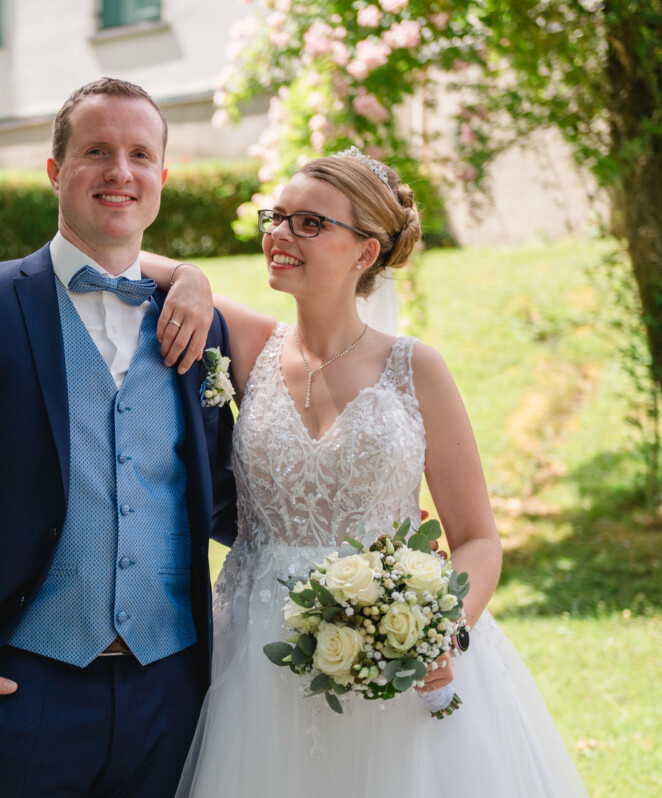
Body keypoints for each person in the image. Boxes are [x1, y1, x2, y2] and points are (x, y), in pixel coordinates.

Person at [147, 148, 589, 796]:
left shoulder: (416, 369)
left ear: (366, 252)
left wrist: (444, 632)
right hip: (256, 661)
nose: (281, 235)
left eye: (310, 223)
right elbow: (124, 259)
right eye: (277, 217)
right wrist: (190, 276)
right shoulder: (251, 345)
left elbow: (478, 538)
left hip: (394, 661)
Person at [0, 77, 237, 798]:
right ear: (55, 171)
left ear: (163, 178)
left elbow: (221, 498)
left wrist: (355, 538)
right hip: (16, 695)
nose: (120, 171)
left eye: (140, 154)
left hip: (170, 694)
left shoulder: (200, 323)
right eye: (96, 151)